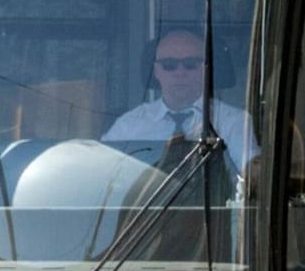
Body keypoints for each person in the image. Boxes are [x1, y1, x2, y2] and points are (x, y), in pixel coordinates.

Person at [102, 28, 259, 178]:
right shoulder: (128, 126)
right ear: (156, 71)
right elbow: (103, 174)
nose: (180, 72)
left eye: (190, 64)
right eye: (169, 65)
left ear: (205, 69)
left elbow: (252, 173)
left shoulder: (232, 122)